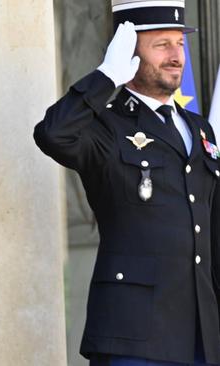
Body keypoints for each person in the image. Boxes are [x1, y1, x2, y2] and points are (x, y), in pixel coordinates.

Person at [35, 0, 220, 365]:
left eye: (180, 43)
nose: (176, 56)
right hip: (132, 333)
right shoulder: (107, 126)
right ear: (129, 54)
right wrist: (106, 77)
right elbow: (53, 135)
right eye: (161, 45)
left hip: (202, 332)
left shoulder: (200, 129)